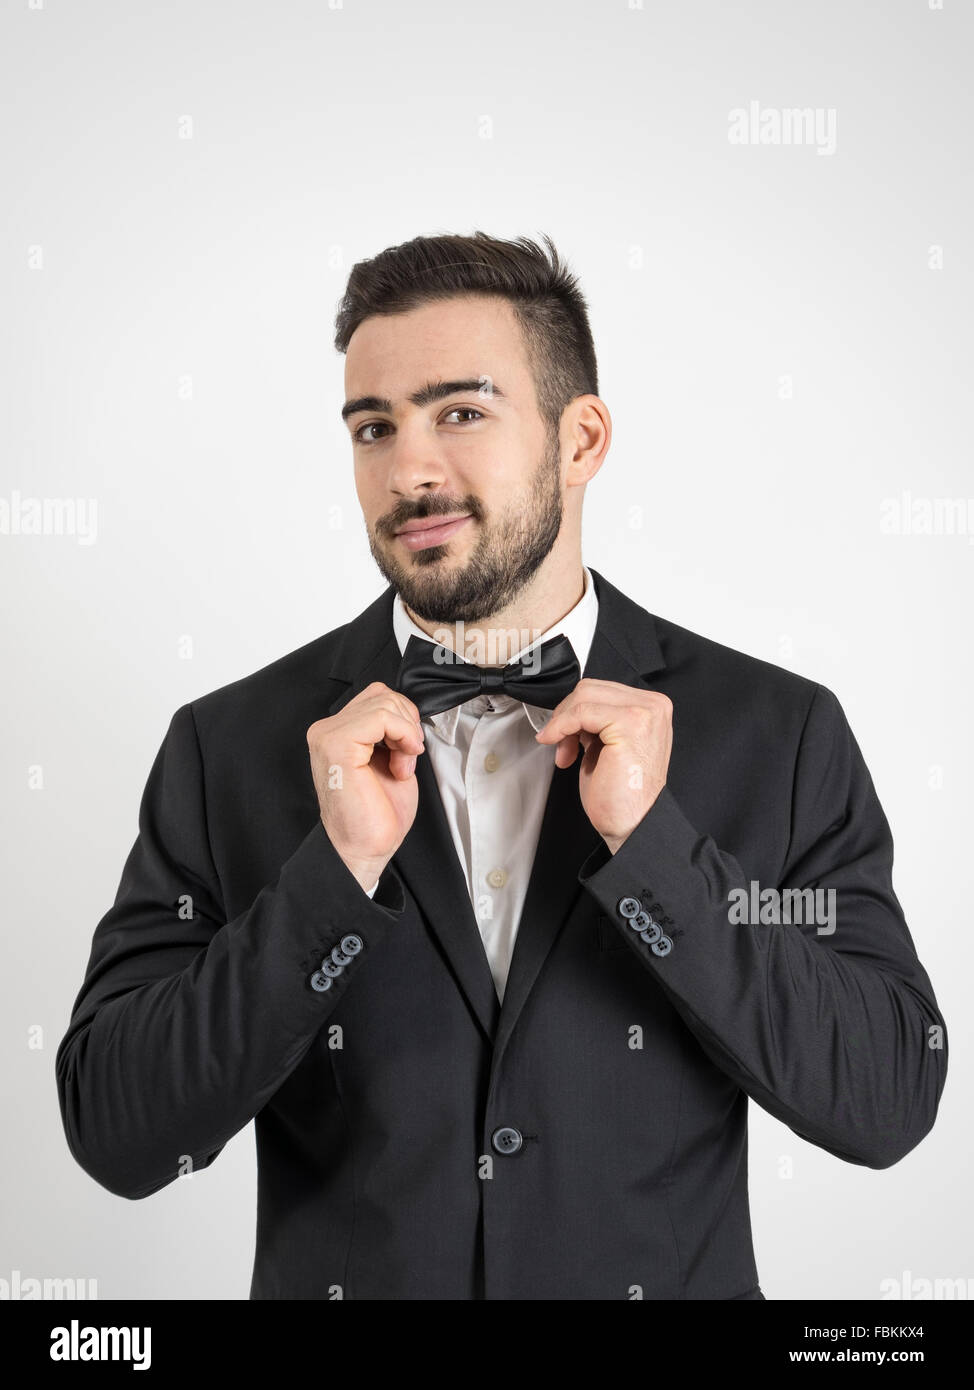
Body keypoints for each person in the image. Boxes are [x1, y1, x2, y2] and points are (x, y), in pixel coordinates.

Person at [56, 231, 948, 1300]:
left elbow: (886, 1095)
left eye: (461, 413)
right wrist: (326, 885)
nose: (409, 469)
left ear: (581, 439)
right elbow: (117, 1131)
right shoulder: (227, 746)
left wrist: (655, 853)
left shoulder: (779, 733)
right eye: (372, 427)